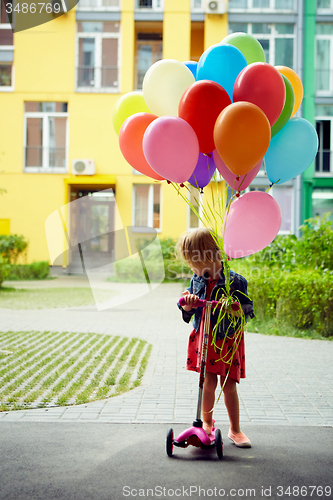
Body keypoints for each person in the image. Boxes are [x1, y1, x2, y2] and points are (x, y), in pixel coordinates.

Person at [176, 227, 254, 448]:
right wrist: (188, 304)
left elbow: (247, 309)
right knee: (208, 382)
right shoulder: (198, 279)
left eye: (193, 262)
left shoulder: (235, 281)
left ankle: (235, 430)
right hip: (207, 337)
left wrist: (235, 309)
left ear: (208, 255)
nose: (191, 267)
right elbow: (187, 308)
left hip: (227, 340)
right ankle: (207, 424)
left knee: (228, 385)